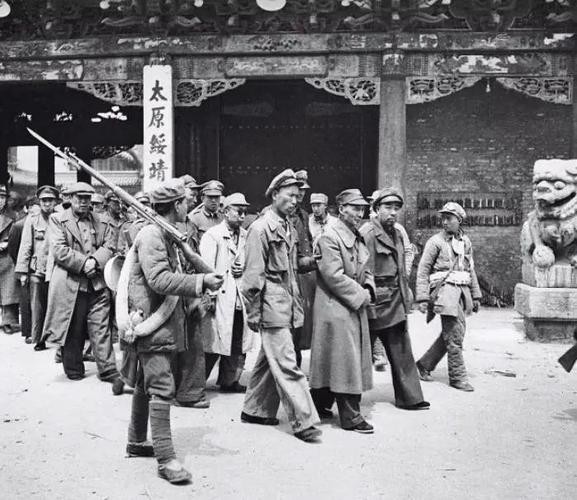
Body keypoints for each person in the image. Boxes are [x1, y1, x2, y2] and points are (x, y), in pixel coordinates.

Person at [122, 178, 223, 484]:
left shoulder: (165, 232)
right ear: (176, 205)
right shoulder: (152, 235)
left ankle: (136, 441)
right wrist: (200, 282)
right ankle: (166, 460)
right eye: (185, 201)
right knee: (162, 388)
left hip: (162, 322)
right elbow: (159, 280)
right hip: (152, 324)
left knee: (145, 384)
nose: (189, 205)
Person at [240, 169, 321, 443]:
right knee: (287, 362)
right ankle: (304, 421)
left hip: (287, 301)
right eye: (290, 195)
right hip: (270, 304)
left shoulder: (288, 226)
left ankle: (255, 410)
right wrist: (253, 312)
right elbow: (253, 277)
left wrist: (313, 260)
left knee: (269, 360)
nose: (295, 201)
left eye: (298, 196)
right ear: (275, 194)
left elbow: (292, 266)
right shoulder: (260, 228)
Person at [309, 189, 376, 433]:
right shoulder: (329, 236)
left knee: (333, 360)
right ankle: (351, 417)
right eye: (355, 208)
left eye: (362, 209)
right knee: (345, 361)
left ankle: (318, 405)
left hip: (347, 304)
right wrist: (362, 295)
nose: (360, 213)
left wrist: (369, 286)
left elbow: (365, 267)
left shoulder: (354, 234)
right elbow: (333, 275)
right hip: (335, 307)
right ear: (341, 209)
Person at [361, 188, 430, 410]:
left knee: (401, 349)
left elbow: (401, 268)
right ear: (376, 209)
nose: (393, 212)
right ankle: (326, 400)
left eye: (396, 208)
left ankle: (410, 398)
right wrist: (369, 300)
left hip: (395, 301)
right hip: (374, 303)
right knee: (357, 354)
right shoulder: (367, 233)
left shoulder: (398, 234)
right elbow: (363, 272)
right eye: (387, 207)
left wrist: (406, 293)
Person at [43, 182, 120, 382]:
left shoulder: (102, 221)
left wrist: (95, 261)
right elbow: (59, 249)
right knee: (73, 327)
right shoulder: (58, 219)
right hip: (71, 283)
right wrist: (84, 263)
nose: (84, 202)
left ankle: (108, 369)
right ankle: (73, 368)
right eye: (79, 197)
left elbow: (110, 245)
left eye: (87, 198)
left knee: (101, 327)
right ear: (70, 198)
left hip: (97, 283)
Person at [415, 202, 482, 392]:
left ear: (459, 220)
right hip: (444, 293)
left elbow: (470, 269)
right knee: (455, 335)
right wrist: (422, 298)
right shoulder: (435, 242)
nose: (444, 222)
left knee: (453, 333)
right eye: (443, 218)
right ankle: (458, 377)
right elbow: (423, 270)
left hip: (461, 293)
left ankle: (424, 364)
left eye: (449, 218)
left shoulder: (465, 242)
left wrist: (476, 295)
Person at [200, 193, 254, 393]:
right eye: (238, 211)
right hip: (220, 295)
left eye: (245, 212)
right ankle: (195, 383)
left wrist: (244, 269)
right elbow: (206, 268)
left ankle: (229, 381)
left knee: (238, 340)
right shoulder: (213, 235)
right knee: (212, 341)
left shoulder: (247, 235)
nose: (242, 216)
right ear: (225, 212)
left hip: (239, 296)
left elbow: (253, 262)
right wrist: (209, 296)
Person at [15, 186, 59, 351]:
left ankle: (56, 337)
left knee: (56, 304)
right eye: (44, 200)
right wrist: (22, 272)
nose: (47, 204)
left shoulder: (60, 218)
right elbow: (25, 246)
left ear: (55, 201)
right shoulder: (32, 220)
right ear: (39, 202)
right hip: (37, 269)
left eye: (50, 200)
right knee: (37, 306)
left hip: (56, 269)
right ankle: (39, 339)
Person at [290, 169, 316, 365]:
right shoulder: (278, 214)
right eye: (298, 188)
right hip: (288, 275)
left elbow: (307, 242)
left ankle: (295, 365)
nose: (301, 193)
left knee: (302, 323)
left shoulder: (304, 215)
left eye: (304, 190)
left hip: (303, 274)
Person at [0, 185, 20, 335]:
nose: (0, 201)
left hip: (7, 257)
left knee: (9, 289)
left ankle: (9, 321)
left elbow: (17, 235)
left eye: (2, 198)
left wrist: (7, 243)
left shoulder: (13, 216)